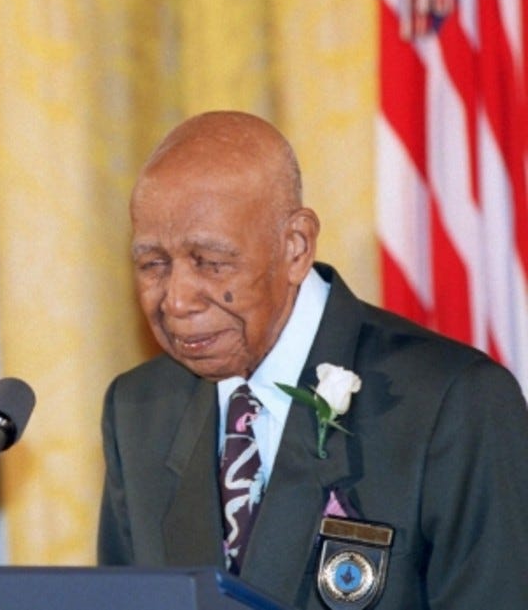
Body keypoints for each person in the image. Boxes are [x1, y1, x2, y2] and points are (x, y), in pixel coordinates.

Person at [98, 111, 528, 608]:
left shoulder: (454, 404)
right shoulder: (138, 410)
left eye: (211, 263)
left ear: (296, 247)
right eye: (153, 265)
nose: (176, 300)